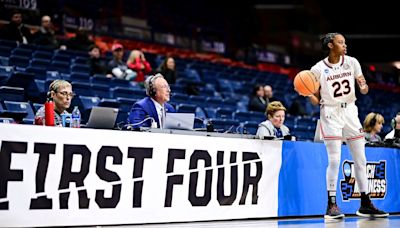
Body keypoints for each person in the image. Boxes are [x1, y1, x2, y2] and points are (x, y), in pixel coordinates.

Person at [301, 32, 388, 219]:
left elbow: (364, 89)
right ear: (331, 45)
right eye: (341, 42)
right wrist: (307, 92)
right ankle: (331, 205)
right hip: (330, 113)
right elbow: (316, 101)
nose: (345, 45)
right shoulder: (317, 69)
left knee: (361, 159)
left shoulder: (352, 62)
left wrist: (363, 86)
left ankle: (365, 203)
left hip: (350, 111)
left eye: (345, 42)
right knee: (334, 160)